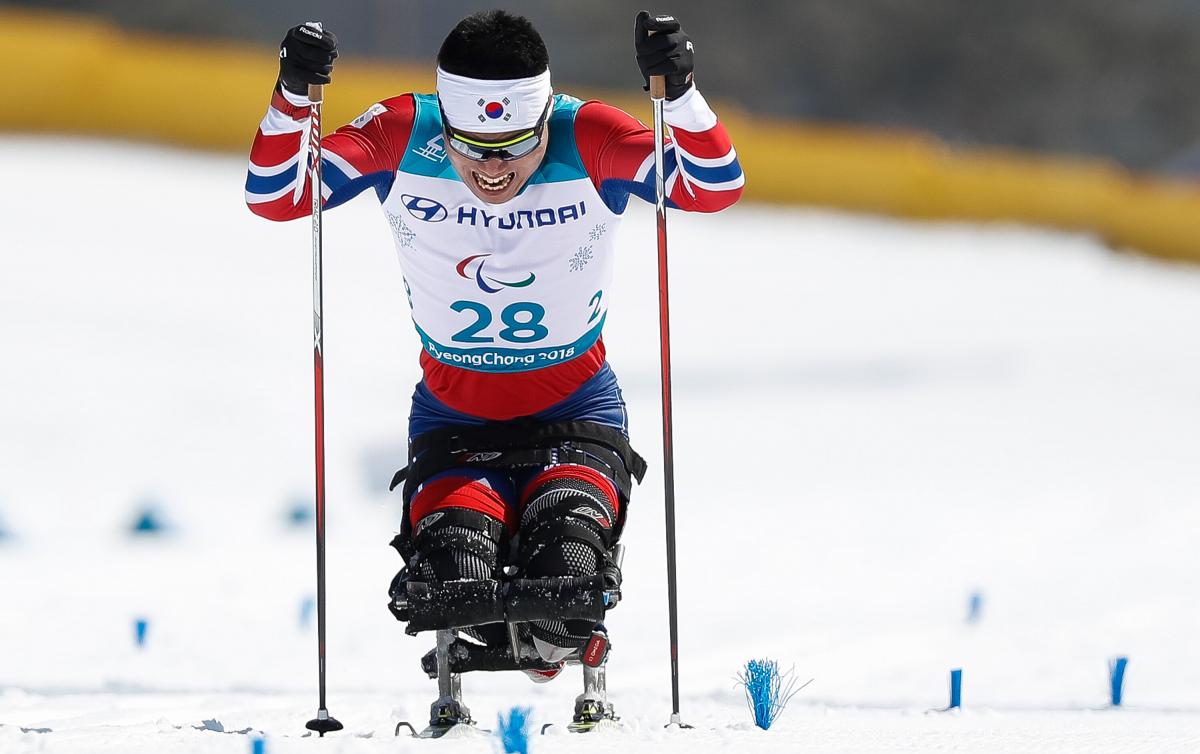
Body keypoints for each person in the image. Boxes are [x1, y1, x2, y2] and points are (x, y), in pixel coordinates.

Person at [246, 10, 743, 683]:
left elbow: (714, 188)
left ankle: (557, 637)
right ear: (445, 121)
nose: (492, 168)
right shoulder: (402, 132)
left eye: (514, 144)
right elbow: (278, 196)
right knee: (454, 581)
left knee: (566, 579)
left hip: (575, 409)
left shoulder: (588, 134)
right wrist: (293, 96)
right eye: (472, 145)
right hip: (457, 417)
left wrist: (680, 92)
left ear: (544, 119)